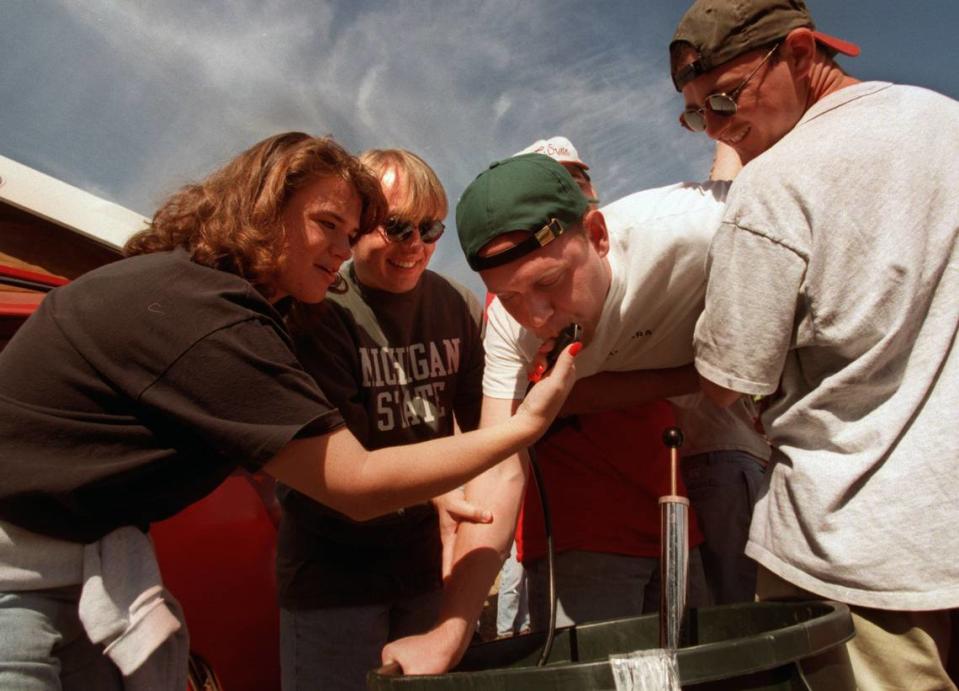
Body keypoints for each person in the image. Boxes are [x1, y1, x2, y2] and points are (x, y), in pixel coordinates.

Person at [0, 132, 578, 690]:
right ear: (261, 207)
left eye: (350, 233)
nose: (341, 249)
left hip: (89, 557)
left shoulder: (241, 304)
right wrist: (525, 426)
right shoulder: (207, 313)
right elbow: (355, 482)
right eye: (329, 225)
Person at [383, 151, 766, 674]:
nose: (536, 317)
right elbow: (499, 468)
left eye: (548, 283)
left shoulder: (702, 228)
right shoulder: (508, 331)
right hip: (590, 531)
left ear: (598, 234)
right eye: (508, 295)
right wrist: (448, 634)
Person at [669, 1, 959, 688]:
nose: (713, 124)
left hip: (856, 547)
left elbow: (730, 376)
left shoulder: (774, 184)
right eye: (694, 112)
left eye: (723, 97)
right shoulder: (944, 119)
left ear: (800, 53)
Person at [275, 148, 486, 690]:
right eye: (396, 227)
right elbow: (348, 468)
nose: (415, 245)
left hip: (423, 574)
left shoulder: (459, 306)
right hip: (333, 576)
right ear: (360, 225)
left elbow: (481, 431)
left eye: (429, 227)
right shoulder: (322, 307)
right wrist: (441, 491)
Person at [500, 137, 709, 634]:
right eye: (553, 185)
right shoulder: (520, 300)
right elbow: (559, 395)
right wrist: (690, 374)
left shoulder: (641, 262)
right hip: (584, 533)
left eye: (579, 179)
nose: (573, 191)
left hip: (672, 521)